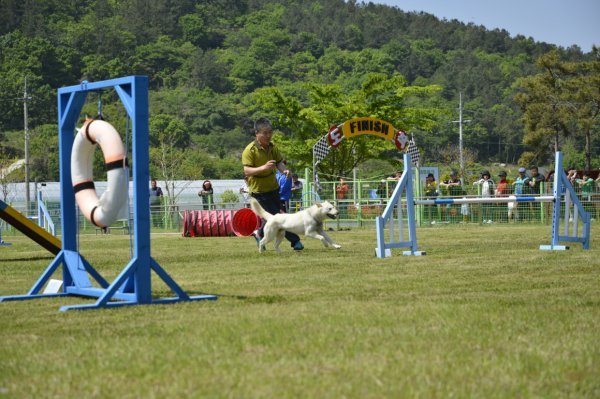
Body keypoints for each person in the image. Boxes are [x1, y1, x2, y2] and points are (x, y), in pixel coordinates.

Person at [241, 117, 303, 251]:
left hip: (274, 188)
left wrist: (284, 170)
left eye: (270, 132)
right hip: (259, 191)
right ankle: (295, 241)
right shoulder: (249, 150)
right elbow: (246, 170)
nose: (268, 135)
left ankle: (259, 234)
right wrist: (263, 168)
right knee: (277, 215)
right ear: (257, 133)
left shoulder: (273, 147)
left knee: (276, 216)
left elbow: (279, 162)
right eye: (265, 133)